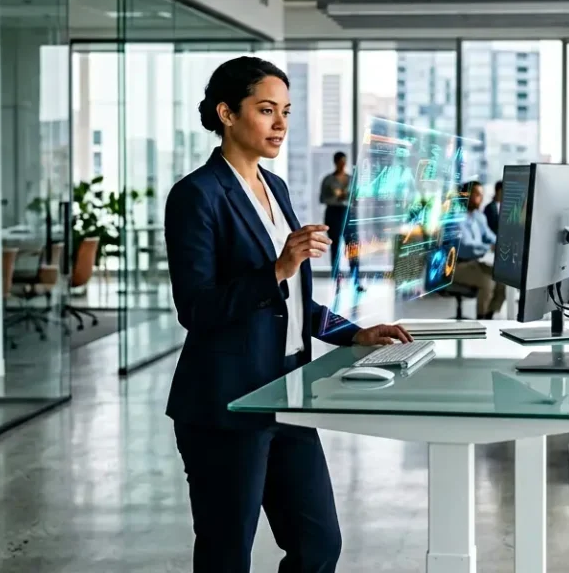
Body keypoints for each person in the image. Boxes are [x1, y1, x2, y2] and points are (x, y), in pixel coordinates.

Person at [163, 56, 411, 573]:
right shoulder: (196, 196)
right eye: (267, 110)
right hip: (227, 402)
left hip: (287, 393)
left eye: (287, 112)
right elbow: (197, 308)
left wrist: (355, 333)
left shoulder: (274, 188)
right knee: (226, 554)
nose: (281, 124)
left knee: (319, 545)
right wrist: (278, 266)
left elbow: (292, 301)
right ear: (227, 113)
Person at [451, 180, 506, 319]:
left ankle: (489, 317)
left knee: (503, 279)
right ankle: (481, 320)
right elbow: (464, 247)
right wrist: (489, 247)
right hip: (457, 266)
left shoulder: (479, 217)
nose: (480, 198)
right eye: (476, 194)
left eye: (481, 195)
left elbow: (490, 237)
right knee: (487, 281)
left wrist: (503, 244)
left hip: (476, 263)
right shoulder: (455, 219)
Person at [319, 151, 362, 291]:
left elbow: (357, 196)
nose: (343, 164)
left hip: (349, 215)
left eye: (345, 161)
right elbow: (322, 199)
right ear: (336, 162)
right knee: (335, 248)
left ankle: (356, 281)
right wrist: (337, 198)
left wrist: (345, 197)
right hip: (334, 214)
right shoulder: (328, 180)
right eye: (340, 161)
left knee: (353, 248)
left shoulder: (351, 179)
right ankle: (337, 282)